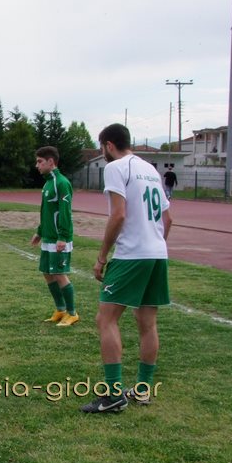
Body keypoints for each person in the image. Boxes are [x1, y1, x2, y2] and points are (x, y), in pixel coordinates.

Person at [81, 123, 172, 414]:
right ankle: (143, 390)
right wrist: (154, 244)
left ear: (109, 145)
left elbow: (118, 215)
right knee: (147, 322)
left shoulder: (116, 168)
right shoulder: (150, 169)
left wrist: (101, 257)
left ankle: (113, 395)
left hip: (132, 255)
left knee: (105, 319)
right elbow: (168, 219)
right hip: (157, 253)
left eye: (102, 147)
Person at [30, 146, 79, 327]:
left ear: (51, 162)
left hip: (59, 238)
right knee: (47, 273)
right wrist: (40, 232)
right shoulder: (47, 183)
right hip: (48, 237)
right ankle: (60, 309)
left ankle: (72, 313)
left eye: (40, 161)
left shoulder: (62, 183)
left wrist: (63, 237)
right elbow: (46, 211)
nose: (37, 165)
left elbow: (65, 212)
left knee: (59, 274)